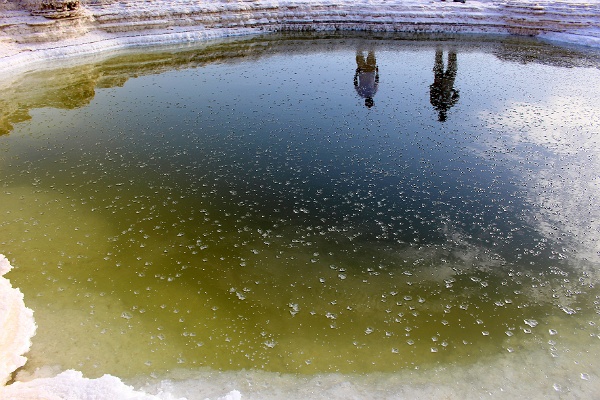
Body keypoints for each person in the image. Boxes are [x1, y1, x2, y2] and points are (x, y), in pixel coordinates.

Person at [429, 48, 460, 122]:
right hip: (445, 83)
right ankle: (449, 49)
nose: (443, 112)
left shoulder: (438, 104)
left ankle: (450, 49)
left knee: (445, 64)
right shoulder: (438, 104)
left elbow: (456, 96)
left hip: (446, 83)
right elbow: (432, 90)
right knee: (441, 63)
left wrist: (453, 91)